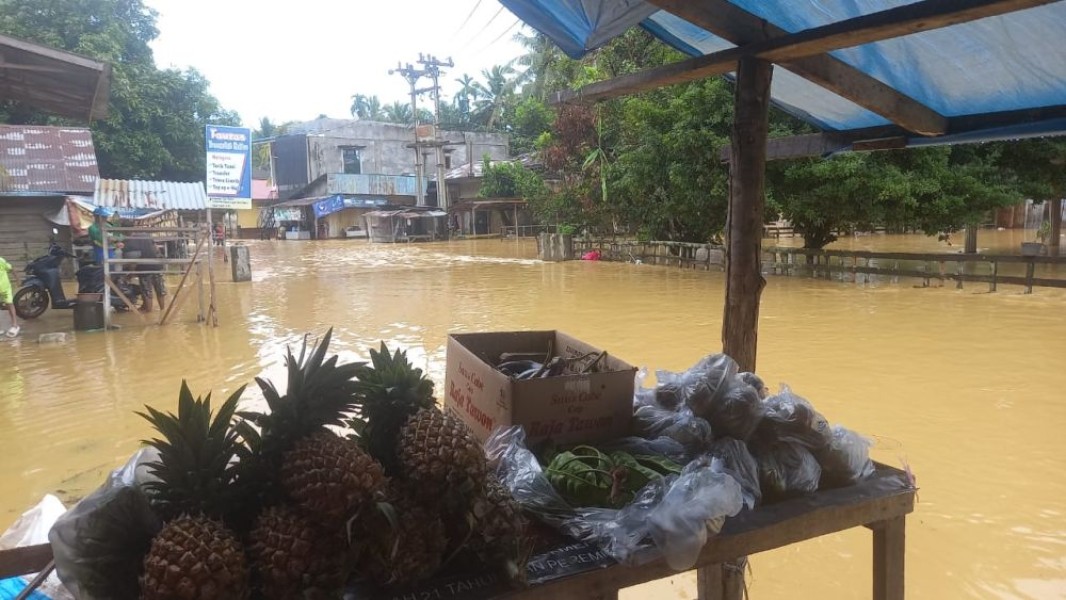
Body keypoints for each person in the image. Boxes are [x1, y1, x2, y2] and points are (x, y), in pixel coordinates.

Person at [122, 229, 167, 312]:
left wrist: (130, 275)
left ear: (124, 231)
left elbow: (133, 261)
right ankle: (162, 311)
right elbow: (156, 249)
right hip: (157, 266)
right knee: (160, 290)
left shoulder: (129, 242)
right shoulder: (146, 234)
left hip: (145, 269)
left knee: (147, 292)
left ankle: (148, 313)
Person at [0, 257, 18, 337]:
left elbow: (11, 269)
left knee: (9, 304)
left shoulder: (1, 261)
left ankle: (15, 325)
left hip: (5, 288)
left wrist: (17, 279)